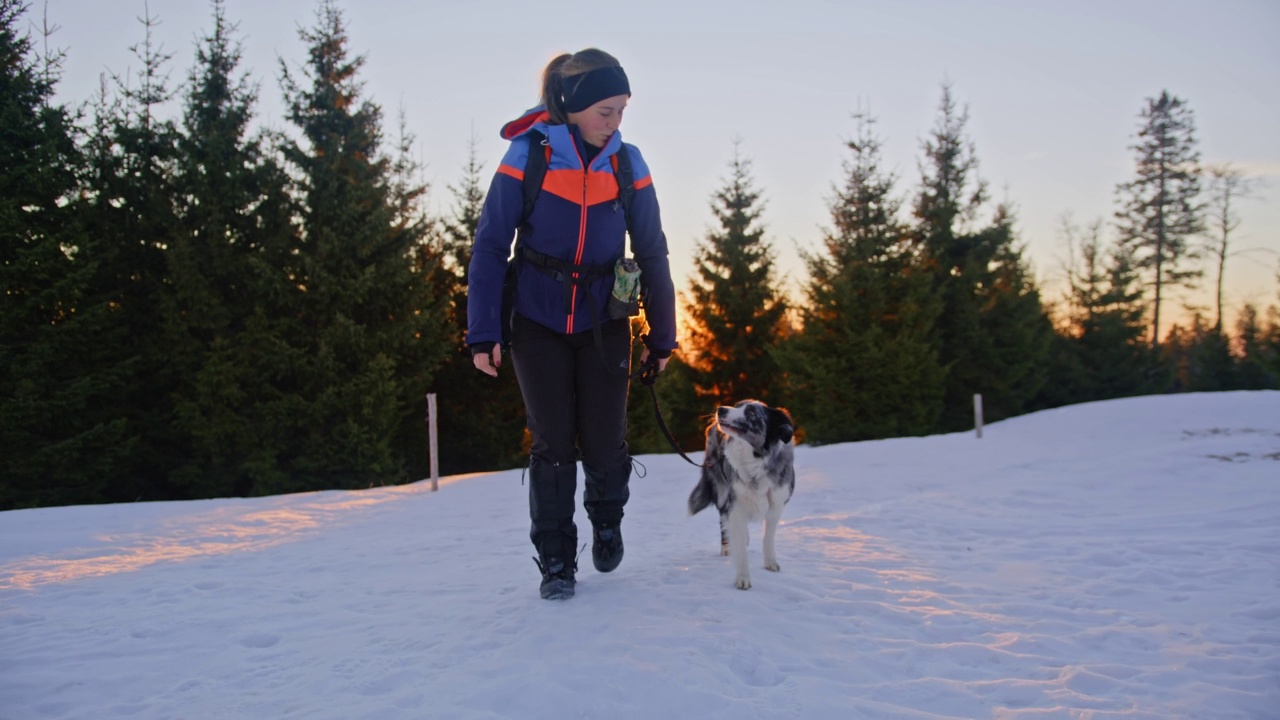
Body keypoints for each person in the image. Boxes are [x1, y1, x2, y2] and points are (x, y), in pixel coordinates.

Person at [466, 49, 678, 600]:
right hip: (536, 321)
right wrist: (482, 332)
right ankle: (557, 561)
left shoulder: (628, 165)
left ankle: (607, 519)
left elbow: (653, 252)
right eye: (606, 111)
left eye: (622, 110)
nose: (616, 122)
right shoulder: (527, 157)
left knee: (606, 442)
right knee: (552, 444)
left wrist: (663, 335)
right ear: (574, 106)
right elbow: (490, 245)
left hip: (605, 321)